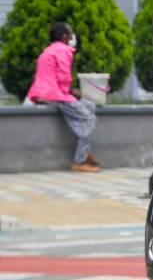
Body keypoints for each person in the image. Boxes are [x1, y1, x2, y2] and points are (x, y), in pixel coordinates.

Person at [25, 22, 99, 172]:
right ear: (64, 36)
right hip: (55, 94)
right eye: (71, 33)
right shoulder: (64, 50)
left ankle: (84, 150)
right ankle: (79, 161)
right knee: (89, 119)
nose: (73, 37)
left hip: (43, 94)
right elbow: (63, 77)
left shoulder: (48, 50)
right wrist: (71, 92)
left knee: (89, 106)